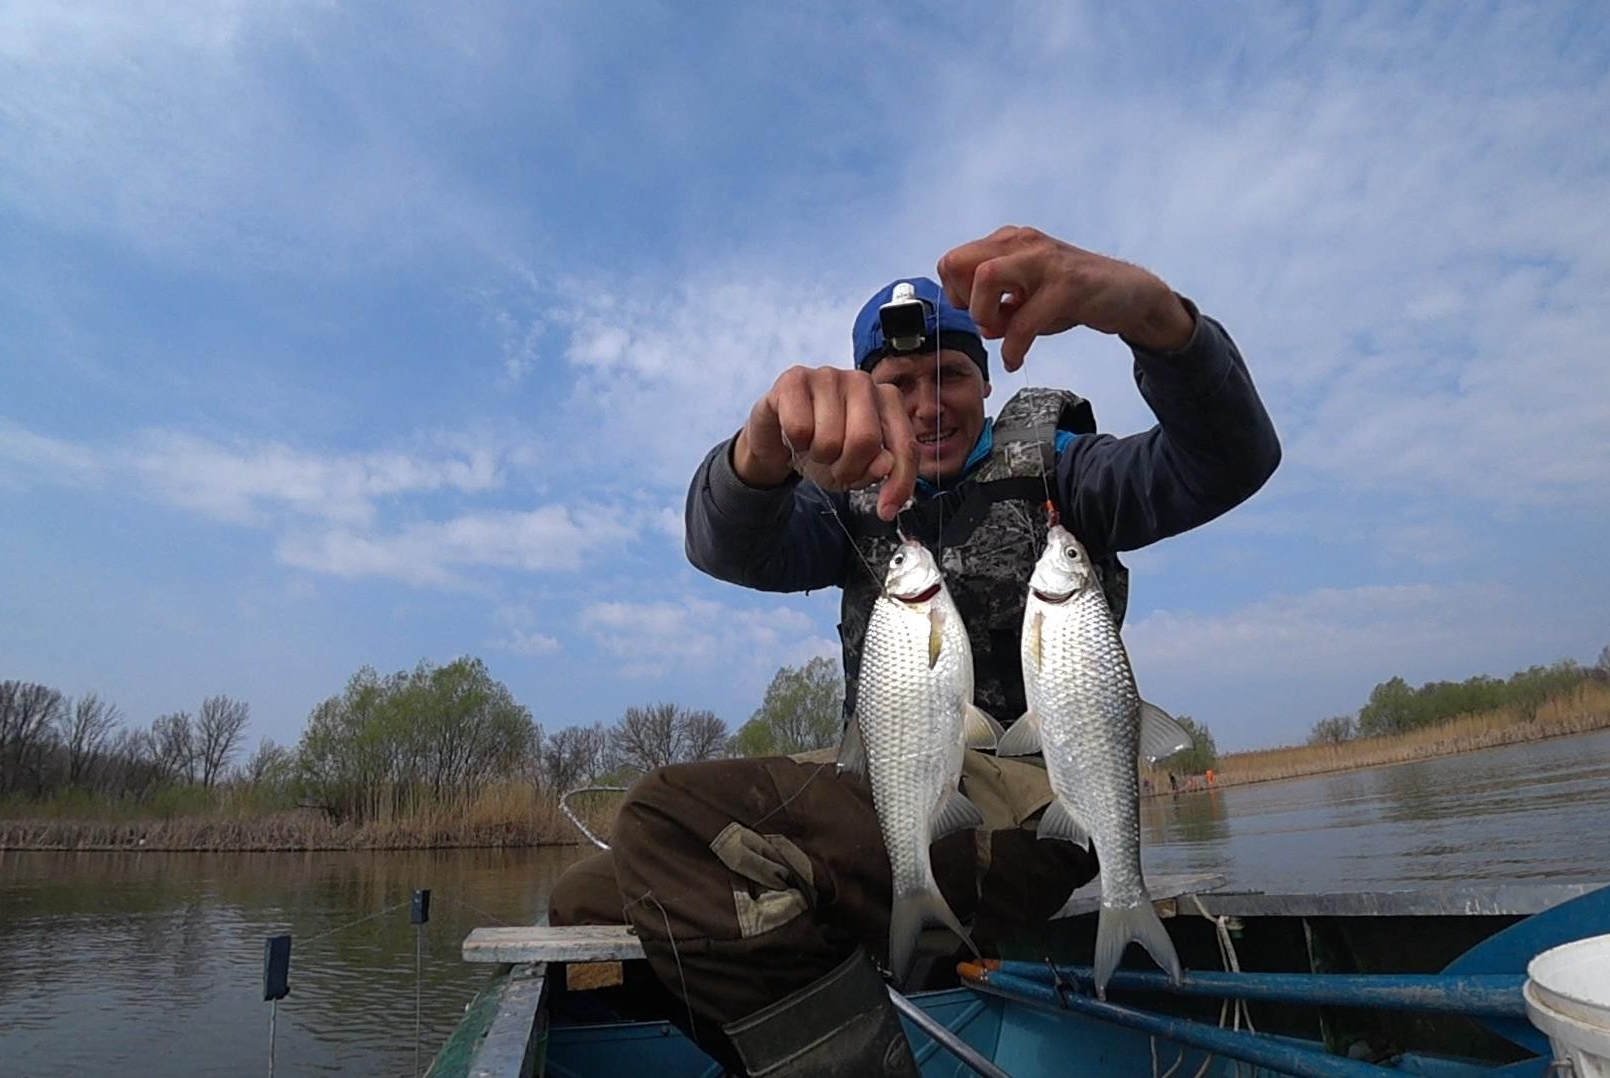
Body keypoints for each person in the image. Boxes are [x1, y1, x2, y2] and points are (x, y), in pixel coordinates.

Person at [547, 226, 1280, 1076]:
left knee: (667, 818)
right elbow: (724, 547)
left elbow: (1231, 458)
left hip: (1033, 809)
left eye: (951, 377)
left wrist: (1154, 318)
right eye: (899, 385)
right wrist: (762, 450)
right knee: (584, 901)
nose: (930, 406)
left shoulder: (1067, 476)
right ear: (867, 400)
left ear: (987, 380)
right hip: (893, 786)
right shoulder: (846, 513)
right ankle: (835, 999)